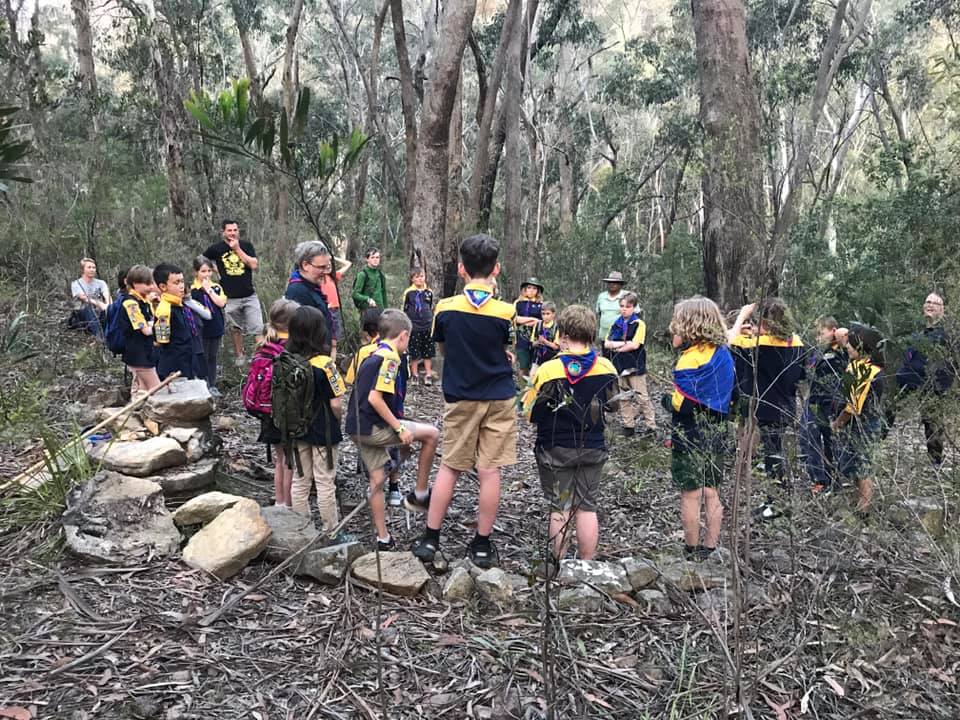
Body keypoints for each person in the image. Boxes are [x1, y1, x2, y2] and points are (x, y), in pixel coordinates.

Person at [411, 234, 518, 569]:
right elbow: (503, 347)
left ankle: (431, 537)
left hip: (460, 396)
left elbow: (442, 348)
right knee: (490, 470)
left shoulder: (444, 308)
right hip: (499, 396)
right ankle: (482, 544)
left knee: (451, 466)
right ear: (496, 269)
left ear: (460, 269)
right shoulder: (506, 311)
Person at [523, 305, 618, 571]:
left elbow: (530, 413)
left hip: (555, 448)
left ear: (562, 334)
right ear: (591, 334)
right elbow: (614, 405)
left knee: (560, 506)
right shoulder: (607, 367)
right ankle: (587, 566)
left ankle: (562, 564)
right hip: (593, 447)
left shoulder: (549, 370)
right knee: (587, 507)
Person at [345, 309, 439, 550]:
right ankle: (419, 494)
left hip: (357, 428)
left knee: (377, 480)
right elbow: (375, 398)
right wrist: (399, 429)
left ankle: (383, 538)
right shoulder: (391, 359)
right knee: (431, 435)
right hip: (373, 428)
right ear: (404, 336)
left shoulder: (372, 353)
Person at [665, 296, 735, 561]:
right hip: (717, 430)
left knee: (691, 493)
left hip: (689, 433)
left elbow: (682, 405)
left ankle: (692, 549)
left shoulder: (689, 359)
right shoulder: (724, 353)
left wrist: (665, 400)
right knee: (712, 491)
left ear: (688, 324)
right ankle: (711, 547)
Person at [729, 299, 805, 520]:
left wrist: (742, 316)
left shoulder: (759, 345)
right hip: (787, 405)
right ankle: (775, 500)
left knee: (774, 456)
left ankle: (778, 504)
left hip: (768, 408)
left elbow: (728, 342)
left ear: (767, 323)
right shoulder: (796, 343)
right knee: (777, 453)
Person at [284, 306, 348, 533]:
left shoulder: (285, 359)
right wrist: (336, 422)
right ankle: (332, 531)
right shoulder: (326, 364)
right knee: (324, 482)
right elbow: (336, 403)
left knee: (300, 481)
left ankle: (304, 530)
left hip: (295, 429)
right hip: (324, 430)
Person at [896, 292, 956, 466]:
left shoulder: (947, 335)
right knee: (889, 410)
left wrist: (942, 384)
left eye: (935, 303)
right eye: (927, 302)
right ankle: (872, 448)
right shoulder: (919, 334)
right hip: (906, 382)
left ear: (942, 310)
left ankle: (935, 462)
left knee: (933, 423)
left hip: (933, 386)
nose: (930, 305)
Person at [251, 298, 301, 507]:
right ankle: (288, 503)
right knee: (290, 461)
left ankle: (279, 501)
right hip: (288, 414)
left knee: (280, 460)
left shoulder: (265, 345)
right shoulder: (291, 349)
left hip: (267, 412)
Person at [833, 323, 886, 517]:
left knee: (864, 467)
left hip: (865, 426)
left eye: (852, 344)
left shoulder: (869, 372)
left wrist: (838, 423)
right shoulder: (856, 366)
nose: (847, 347)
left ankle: (863, 511)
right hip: (856, 425)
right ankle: (858, 503)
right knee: (855, 465)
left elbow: (853, 406)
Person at [203, 219, 263, 366]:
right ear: (223, 232)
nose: (233, 233)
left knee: (258, 328)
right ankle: (240, 357)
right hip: (230, 297)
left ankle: (260, 359)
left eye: (235, 230)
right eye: (229, 230)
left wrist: (237, 249)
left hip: (249, 295)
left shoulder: (246, 246)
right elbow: (202, 260)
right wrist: (215, 270)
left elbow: (254, 265)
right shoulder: (216, 249)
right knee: (235, 329)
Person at [799, 316, 848, 493]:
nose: (818, 338)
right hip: (814, 401)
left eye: (821, 333)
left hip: (833, 402)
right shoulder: (817, 352)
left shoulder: (843, 350)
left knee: (831, 441)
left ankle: (835, 480)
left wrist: (841, 337)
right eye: (816, 335)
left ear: (833, 331)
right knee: (808, 437)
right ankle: (819, 479)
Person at [604, 292, 657, 437]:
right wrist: (622, 344)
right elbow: (607, 343)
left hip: (635, 366)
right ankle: (629, 426)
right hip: (619, 366)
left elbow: (635, 345)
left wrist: (617, 347)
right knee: (624, 397)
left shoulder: (638, 324)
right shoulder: (616, 323)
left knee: (642, 397)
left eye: (628, 306)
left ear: (634, 307)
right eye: (621, 306)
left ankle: (651, 426)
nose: (624, 309)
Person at [153, 263, 205, 381]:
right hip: (174, 368)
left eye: (182, 281)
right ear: (163, 286)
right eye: (176, 283)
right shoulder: (164, 310)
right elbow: (161, 339)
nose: (181, 286)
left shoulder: (179, 305)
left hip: (187, 362)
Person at [284, 241, 336, 354]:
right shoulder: (297, 292)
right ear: (305, 265)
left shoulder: (313, 287)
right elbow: (300, 334)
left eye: (326, 267)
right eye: (321, 267)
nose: (324, 272)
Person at [120, 265, 159, 394]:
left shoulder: (145, 301)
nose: (151, 287)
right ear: (134, 284)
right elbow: (146, 330)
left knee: (141, 389)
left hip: (147, 351)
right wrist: (158, 323)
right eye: (147, 283)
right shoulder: (130, 304)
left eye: (152, 283)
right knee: (156, 388)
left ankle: (136, 410)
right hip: (137, 353)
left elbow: (150, 320)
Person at [191, 256, 227, 395]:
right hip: (201, 329)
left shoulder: (216, 287)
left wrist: (209, 290)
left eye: (209, 271)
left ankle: (212, 384)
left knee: (213, 357)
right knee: (203, 357)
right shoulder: (193, 291)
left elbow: (221, 303)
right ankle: (202, 383)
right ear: (196, 272)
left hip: (216, 327)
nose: (206, 274)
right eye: (203, 271)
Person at [403, 267, 436, 385]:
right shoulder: (409, 293)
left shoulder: (429, 292)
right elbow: (404, 308)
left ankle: (428, 374)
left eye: (422, 276)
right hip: (414, 326)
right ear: (412, 279)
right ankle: (415, 375)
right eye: (417, 277)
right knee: (414, 351)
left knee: (428, 351)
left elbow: (431, 306)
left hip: (427, 325)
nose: (420, 279)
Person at [320, 252, 351, 360]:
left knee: (334, 342)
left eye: (330, 264)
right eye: (326, 264)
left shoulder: (333, 277)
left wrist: (333, 257)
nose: (328, 266)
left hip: (335, 311)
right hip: (326, 311)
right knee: (324, 341)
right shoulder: (318, 279)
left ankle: (332, 365)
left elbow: (348, 264)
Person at [71, 258, 111, 338]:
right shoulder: (76, 284)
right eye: (89, 267)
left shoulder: (101, 283)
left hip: (99, 312)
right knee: (88, 307)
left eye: (94, 267)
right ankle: (99, 337)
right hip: (83, 314)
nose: (92, 270)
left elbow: (107, 294)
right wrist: (100, 304)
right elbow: (84, 298)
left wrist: (109, 305)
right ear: (83, 270)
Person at [515, 278, 544, 382]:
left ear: (538, 291)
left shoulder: (541, 305)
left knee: (536, 365)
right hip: (521, 339)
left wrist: (533, 321)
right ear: (525, 289)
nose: (531, 290)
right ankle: (522, 391)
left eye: (534, 288)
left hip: (536, 339)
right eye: (529, 287)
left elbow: (542, 321)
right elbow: (515, 319)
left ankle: (534, 390)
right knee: (523, 366)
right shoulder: (518, 303)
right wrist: (532, 319)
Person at [352, 247, 388, 317]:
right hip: (367, 311)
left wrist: (386, 311)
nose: (375, 260)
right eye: (372, 257)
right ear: (367, 259)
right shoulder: (362, 275)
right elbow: (355, 294)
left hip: (381, 311)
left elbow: (384, 294)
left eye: (377, 257)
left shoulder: (381, 275)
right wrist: (368, 299)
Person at [595, 270, 627, 346]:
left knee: (619, 357)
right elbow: (600, 313)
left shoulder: (626, 296)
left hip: (621, 337)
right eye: (610, 282)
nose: (612, 285)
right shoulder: (602, 296)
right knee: (606, 357)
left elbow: (636, 315)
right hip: (604, 335)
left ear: (620, 284)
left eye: (615, 283)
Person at [532, 301, 560, 373]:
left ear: (553, 314)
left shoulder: (557, 327)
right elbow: (532, 343)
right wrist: (537, 342)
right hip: (538, 358)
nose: (545, 316)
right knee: (533, 376)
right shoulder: (538, 325)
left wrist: (545, 341)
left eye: (548, 314)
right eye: (543, 314)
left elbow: (556, 347)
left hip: (551, 360)